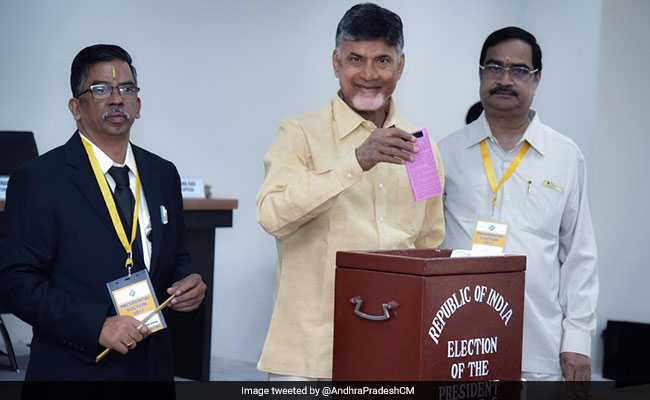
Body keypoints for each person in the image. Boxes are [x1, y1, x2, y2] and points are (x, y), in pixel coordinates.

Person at [256, 3, 445, 380]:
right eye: (356, 59)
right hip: (310, 358)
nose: (369, 75)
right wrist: (356, 161)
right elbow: (272, 216)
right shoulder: (299, 134)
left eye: (383, 61)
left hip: (392, 353)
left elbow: (429, 244)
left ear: (401, 66)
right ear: (336, 62)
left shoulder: (420, 147)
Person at [0, 44, 207, 381]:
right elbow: (14, 282)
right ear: (75, 107)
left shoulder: (162, 173)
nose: (116, 98)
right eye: (100, 89)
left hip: (151, 371)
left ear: (138, 105)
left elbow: (176, 255)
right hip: (73, 371)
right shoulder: (39, 179)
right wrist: (96, 325)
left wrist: (189, 283)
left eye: (126, 88)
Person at [439, 27, 598, 381]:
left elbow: (579, 255)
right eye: (494, 68)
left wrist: (577, 339)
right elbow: (423, 240)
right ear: (480, 73)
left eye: (519, 71)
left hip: (537, 348)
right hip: (455, 345)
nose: (505, 80)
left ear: (537, 79)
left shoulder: (565, 156)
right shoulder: (444, 153)